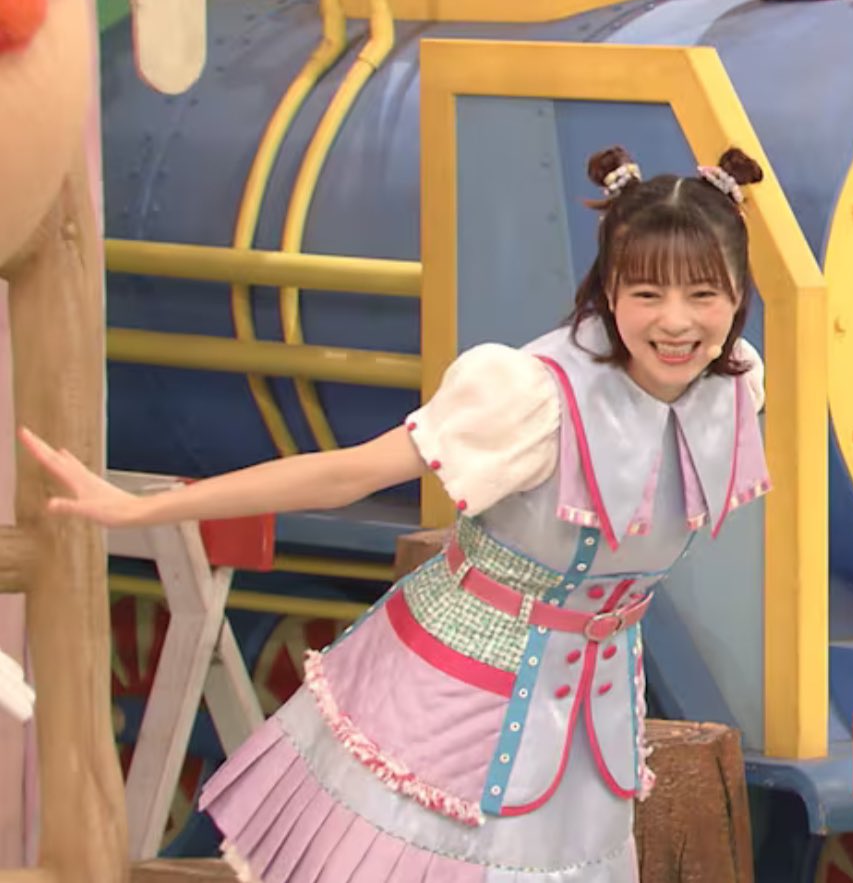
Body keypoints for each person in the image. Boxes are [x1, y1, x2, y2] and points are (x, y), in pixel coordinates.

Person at [18, 145, 772, 883]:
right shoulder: (528, 397)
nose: (677, 321)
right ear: (609, 290)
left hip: (589, 718)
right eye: (647, 293)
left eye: (703, 294)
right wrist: (150, 508)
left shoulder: (733, 387)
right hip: (452, 702)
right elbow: (348, 474)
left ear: (739, 294)